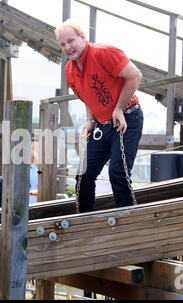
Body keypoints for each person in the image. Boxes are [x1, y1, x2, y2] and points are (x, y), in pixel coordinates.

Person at [55, 20, 143, 212]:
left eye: (71, 41)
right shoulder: (69, 70)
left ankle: (128, 219)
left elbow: (135, 75)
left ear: (83, 38)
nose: (67, 47)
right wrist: (90, 120)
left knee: (117, 172)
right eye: (62, 44)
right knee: (83, 176)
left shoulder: (104, 53)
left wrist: (118, 108)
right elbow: (88, 95)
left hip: (126, 118)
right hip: (102, 124)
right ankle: (84, 221)